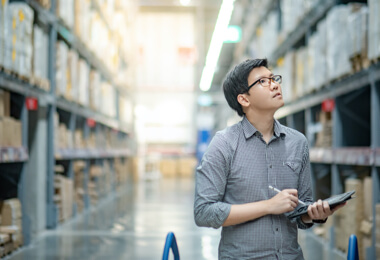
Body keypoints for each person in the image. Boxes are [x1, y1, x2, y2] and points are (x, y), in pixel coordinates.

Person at [193, 58, 345, 259]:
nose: (274, 84)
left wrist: (314, 214)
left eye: (274, 78)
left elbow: (301, 211)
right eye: (263, 81)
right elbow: (204, 212)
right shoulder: (224, 144)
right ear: (244, 99)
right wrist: (268, 206)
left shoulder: (298, 142)